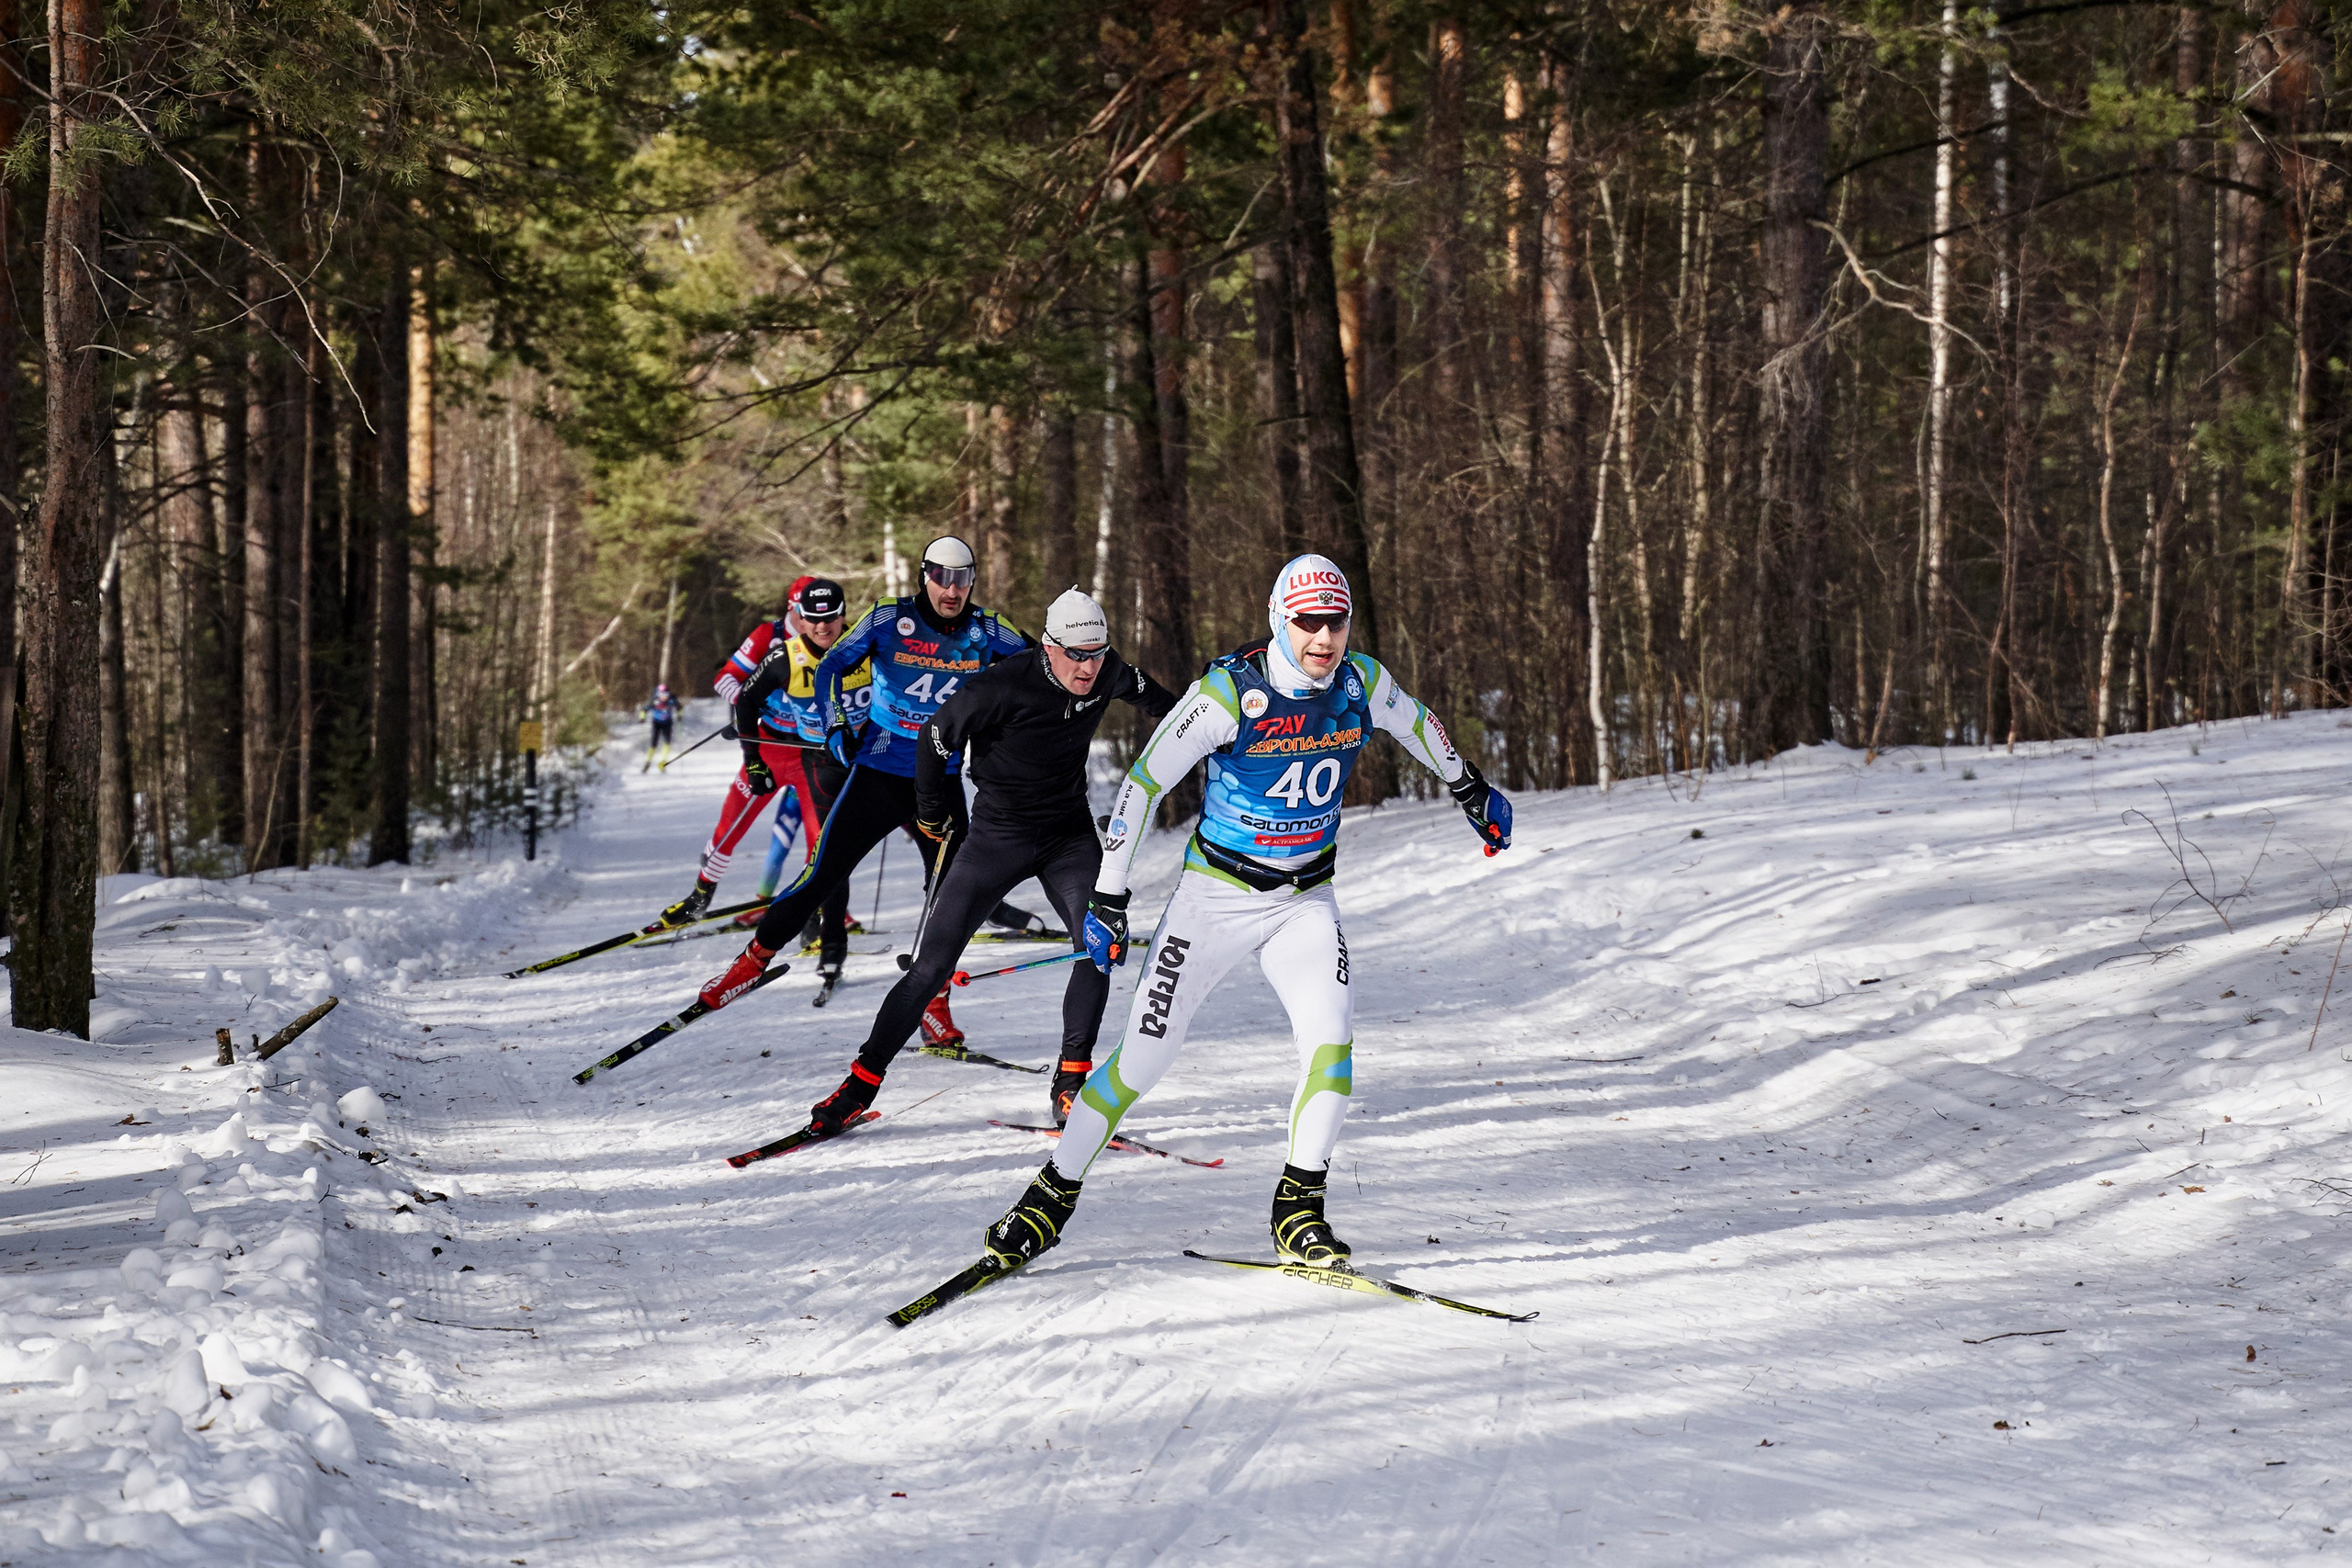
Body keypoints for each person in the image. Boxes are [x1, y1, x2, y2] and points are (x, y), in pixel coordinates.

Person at [974, 554, 1513, 1276]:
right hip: (1213, 900)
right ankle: (1050, 1196)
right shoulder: (1229, 693)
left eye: (1336, 620)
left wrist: (1468, 787)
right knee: (1143, 1060)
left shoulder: (1361, 681)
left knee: (1332, 1046)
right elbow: (1142, 784)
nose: (1323, 637)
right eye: (1307, 622)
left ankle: (1299, 1209)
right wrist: (1108, 893)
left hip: (1303, 900)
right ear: (1278, 619)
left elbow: (1418, 723)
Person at [798, 588, 1178, 1136]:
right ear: (1049, 646)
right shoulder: (1001, 686)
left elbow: (1159, 700)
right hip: (997, 838)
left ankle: (1070, 1083)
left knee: (1098, 946)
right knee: (928, 969)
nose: (1089, 667)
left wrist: (1215, 727)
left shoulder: (1107, 670)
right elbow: (934, 738)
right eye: (1076, 654)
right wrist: (932, 812)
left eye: (1098, 653)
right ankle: (858, 1086)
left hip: (1068, 836)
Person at [696, 536, 1030, 1046]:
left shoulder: (989, 630)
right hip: (878, 774)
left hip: (939, 785)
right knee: (820, 875)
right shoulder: (886, 618)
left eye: (962, 579)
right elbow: (830, 665)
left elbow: (1047, 665)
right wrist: (833, 726)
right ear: (925, 575)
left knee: (950, 900)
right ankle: (746, 966)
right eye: (942, 577)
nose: (952, 589)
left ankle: (933, 1004)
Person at [655, 581, 870, 960]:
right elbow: (726, 679)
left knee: (822, 841)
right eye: (798, 611)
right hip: (771, 747)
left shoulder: (842, 641)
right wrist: (752, 705)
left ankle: (818, 919)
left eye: (822, 615)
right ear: (794, 609)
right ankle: (700, 896)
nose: (806, 620)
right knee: (729, 826)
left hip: (813, 754)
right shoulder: (768, 637)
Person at [641, 683, 680, 773]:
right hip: (657, 723)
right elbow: (645, 709)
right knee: (654, 744)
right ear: (658, 694)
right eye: (662, 695)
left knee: (667, 743)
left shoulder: (672, 699)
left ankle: (663, 763)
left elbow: (679, 707)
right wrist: (642, 717)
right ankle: (648, 762)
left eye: (666, 694)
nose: (664, 697)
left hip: (668, 723)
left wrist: (679, 715)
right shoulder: (654, 700)